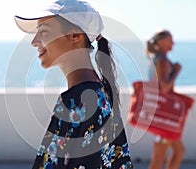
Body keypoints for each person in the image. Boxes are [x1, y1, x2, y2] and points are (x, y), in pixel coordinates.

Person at [14, 0, 133, 168]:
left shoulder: (76, 102)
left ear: (75, 35)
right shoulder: (103, 93)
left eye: (44, 31)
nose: (34, 41)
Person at [146, 30, 184, 169]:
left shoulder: (156, 58)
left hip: (160, 112)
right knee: (159, 159)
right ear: (162, 42)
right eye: (170, 40)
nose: (173, 43)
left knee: (178, 151)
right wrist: (176, 71)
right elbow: (165, 87)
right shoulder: (162, 60)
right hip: (164, 115)